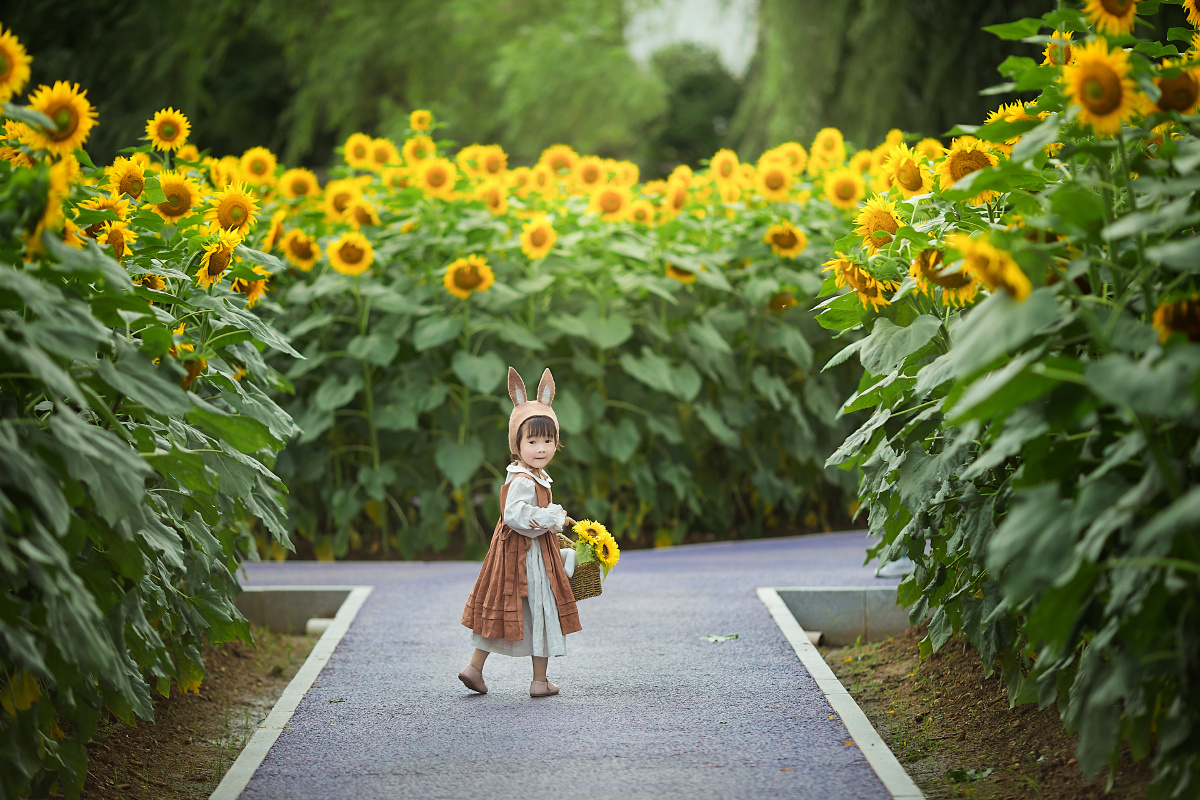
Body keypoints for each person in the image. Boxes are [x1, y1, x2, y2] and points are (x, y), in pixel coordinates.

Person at [459, 367, 581, 697]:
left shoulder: (533, 476)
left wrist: (554, 516)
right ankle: (538, 682)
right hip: (525, 558)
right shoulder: (524, 480)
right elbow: (514, 515)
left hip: (516, 555)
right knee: (542, 608)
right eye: (532, 441)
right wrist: (552, 517)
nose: (541, 448)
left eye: (548, 440)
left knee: (505, 607)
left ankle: (475, 667)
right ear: (517, 443)